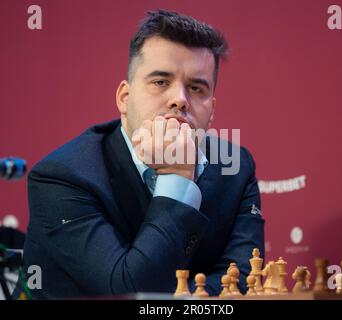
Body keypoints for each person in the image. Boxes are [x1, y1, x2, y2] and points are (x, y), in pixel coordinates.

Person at [15, 9, 264, 299]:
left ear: (212, 111)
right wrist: (178, 177)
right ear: (124, 97)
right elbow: (129, 292)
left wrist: (184, 298)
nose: (180, 100)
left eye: (196, 88)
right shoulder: (63, 177)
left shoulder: (236, 168)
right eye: (160, 82)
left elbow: (244, 277)